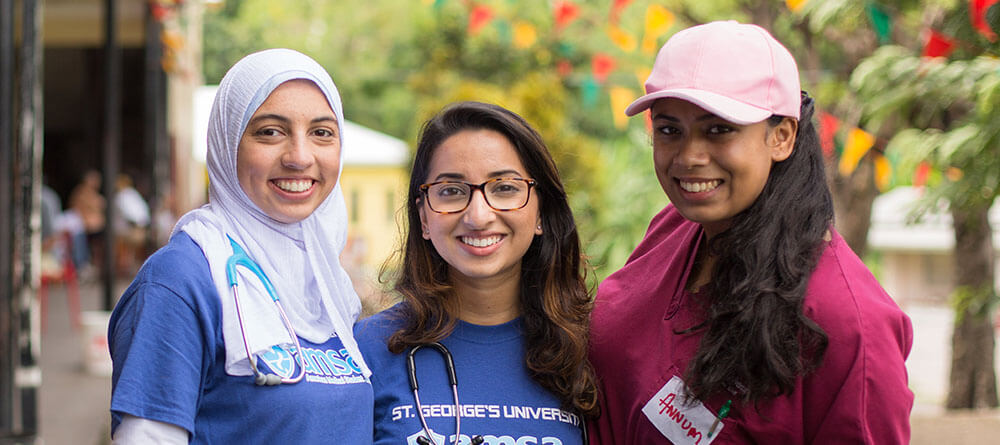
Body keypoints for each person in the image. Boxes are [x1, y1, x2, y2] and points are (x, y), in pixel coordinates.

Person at [587, 21, 913, 444]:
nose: (689, 156)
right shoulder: (674, 228)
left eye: (719, 129)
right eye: (670, 130)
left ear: (781, 136)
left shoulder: (846, 321)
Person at [108, 49, 372, 444]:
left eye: (322, 133)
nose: (300, 157)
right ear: (227, 141)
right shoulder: (183, 279)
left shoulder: (327, 281)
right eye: (270, 131)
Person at [354, 101, 598, 445]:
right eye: (452, 191)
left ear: (541, 210)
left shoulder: (593, 351)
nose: (478, 216)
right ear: (423, 218)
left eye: (505, 188)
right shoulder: (366, 350)